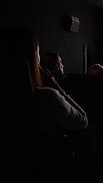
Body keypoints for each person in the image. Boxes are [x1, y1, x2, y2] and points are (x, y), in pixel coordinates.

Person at [3, 27, 88, 181]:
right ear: (32, 57)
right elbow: (82, 120)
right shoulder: (47, 96)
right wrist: (58, 89)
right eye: (38, 52)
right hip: (51, 167)